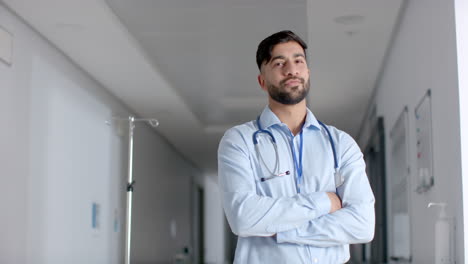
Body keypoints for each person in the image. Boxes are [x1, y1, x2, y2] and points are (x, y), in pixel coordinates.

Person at [217, 30, 375, 263]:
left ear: (307, 73)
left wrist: (279, 230)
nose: (291, 69)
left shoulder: (340, 143)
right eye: (279, 62)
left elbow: (362, 225)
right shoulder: (239, 141)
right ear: (262, 81)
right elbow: (243, 218)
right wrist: (325, 201)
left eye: (298, 61)